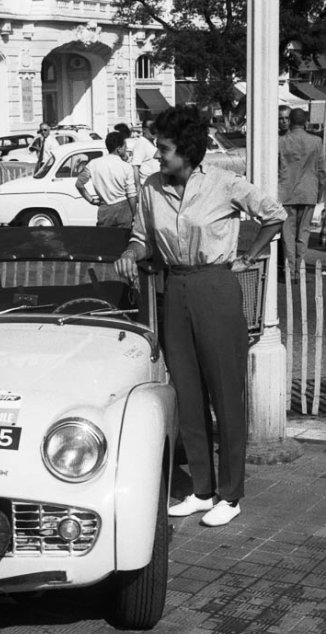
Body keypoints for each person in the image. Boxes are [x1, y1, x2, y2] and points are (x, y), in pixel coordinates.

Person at [115, 105, 286, 527]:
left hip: (216, 287)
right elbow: (142, 238)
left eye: (165, 149)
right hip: (174, 288)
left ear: (187, 151)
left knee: (226, 393)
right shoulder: (152, 187)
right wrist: (130, 252)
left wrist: (250, 254)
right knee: (187, 393)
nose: (158, 155)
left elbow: (274, 215)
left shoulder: (224, 183)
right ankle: (201, 489)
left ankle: (230, 493)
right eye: (158, 147)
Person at [278, 107, 326, 280]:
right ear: (305, 121)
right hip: (309, 191)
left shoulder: (281, 141)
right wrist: (319, 191)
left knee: (288, 234)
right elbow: (321, 170)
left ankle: (290, 271)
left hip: (286, 192)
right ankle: (300, 268)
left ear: (290, 121)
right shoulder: (316, 142)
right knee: (303, 233)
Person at [75, 130, 137, 228]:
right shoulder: (126, 167)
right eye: (125, 146)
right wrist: (135, 215)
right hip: (124, 210)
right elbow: (131, 194)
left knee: (105, 241)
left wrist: (91, 200)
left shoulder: (93, 164)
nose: (126, 149)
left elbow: (79, 184)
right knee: (122, 241)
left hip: (105, 210)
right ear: (119, 149)